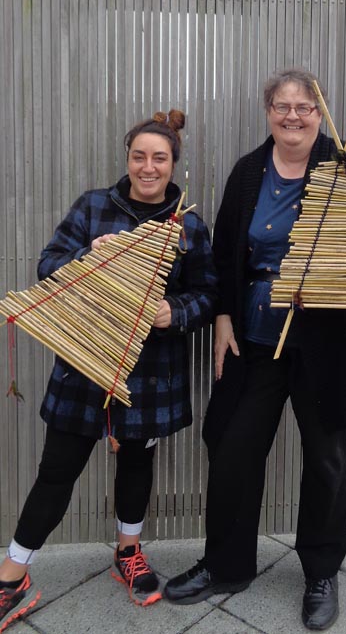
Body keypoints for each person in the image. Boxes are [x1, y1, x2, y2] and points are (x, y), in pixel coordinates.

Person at [163, 70, 346, 631]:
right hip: (254, 336)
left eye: (303, 106)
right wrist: (223, 316)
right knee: (231, 446)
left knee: (327, 461)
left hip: (331, 342)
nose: (292, 115)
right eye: (282, 106)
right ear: (268, 111)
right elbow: (225, 251)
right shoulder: (249, 170)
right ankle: (227, 564)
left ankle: (321, 571)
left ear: (319, 113)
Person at [0, 110, 218, 631]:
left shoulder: (188, 224)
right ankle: (13, 575)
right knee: (57, 470)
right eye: (139, 156)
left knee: (136, 466)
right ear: (127, 159)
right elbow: (47, 263)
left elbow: (209, 294)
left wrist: (176, 313)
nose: (148, 167)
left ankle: (128, 551)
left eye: (159, 158)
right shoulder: (95, 206)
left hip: (150, 373)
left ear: (174, 165)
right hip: (84, 366)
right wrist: (86, 258)